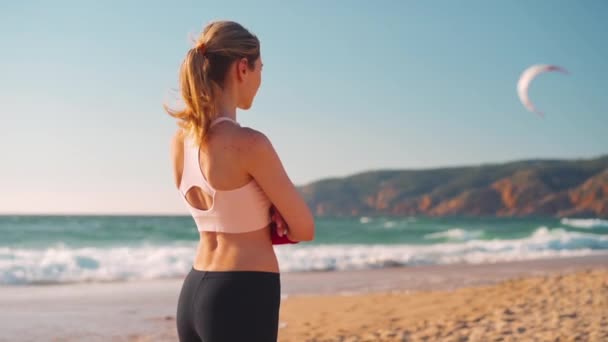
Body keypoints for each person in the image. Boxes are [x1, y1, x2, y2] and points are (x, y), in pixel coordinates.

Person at [165, 20, 315, 342]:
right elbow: (304, 227)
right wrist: (276, 217)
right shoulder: (249, 143)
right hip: (241, 291)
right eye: (261, 68)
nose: (261, 78)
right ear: (243, 67)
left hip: (194, 291)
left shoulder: (180, 142)